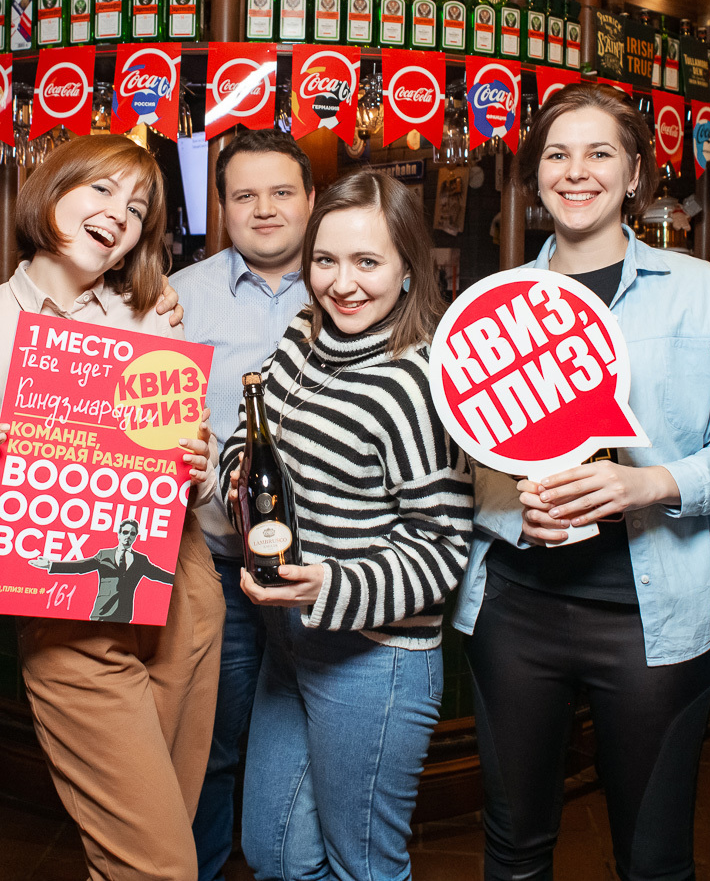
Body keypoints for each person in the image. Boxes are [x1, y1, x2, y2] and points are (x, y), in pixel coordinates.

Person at [451, 84, 710, 881]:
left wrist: (648, 484)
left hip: (653, 616)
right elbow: (465, 466)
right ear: (535, 175)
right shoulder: (497, 306)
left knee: (654, 859)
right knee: (514, 850)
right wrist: (515, 515)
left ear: (634, 175)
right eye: (557, 154)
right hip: (516, 611)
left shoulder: (700, 291)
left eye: (599, 153)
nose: (575, 171)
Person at [0, 133, 220, 881]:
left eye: (138, 208)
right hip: (63, 594)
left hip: (181, 584)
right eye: (102, 189)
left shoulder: (153, 315)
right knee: (157, 864)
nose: (119, 214)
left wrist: (201, 461)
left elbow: (197, 458)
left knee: (150, 840)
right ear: (52, 189)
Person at [221, 170, 473, 881]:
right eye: (326, 260)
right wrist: (237, 477)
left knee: (363, 865)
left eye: (367, 262)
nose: (343, 284)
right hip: (289, 641)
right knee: (274, 853)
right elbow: (250, 435)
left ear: (408, 267)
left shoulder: (419, 381)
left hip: (375, 658)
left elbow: (443, 546)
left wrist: (330, 584)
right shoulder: (305, 334)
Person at [171, 128, 314, 881]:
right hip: (216, 567)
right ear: (221, 207)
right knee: (212, 745)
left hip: (323, 574)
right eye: (245, 195)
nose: (264, 209)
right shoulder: (177, 299)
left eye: (281, 192)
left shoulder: (351, 284)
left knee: (306, 740)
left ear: (311, 200)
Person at [29, 519, 176, 623]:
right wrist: (50, 565)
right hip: (102, 611)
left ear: (135, 536)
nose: (128, 536)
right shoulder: (104, 555)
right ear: (119, 534)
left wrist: (180, 580)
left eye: (132, 534)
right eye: (125, 532)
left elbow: (158, 575)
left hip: (124, 614)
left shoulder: (141, 560)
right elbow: (81, 566)